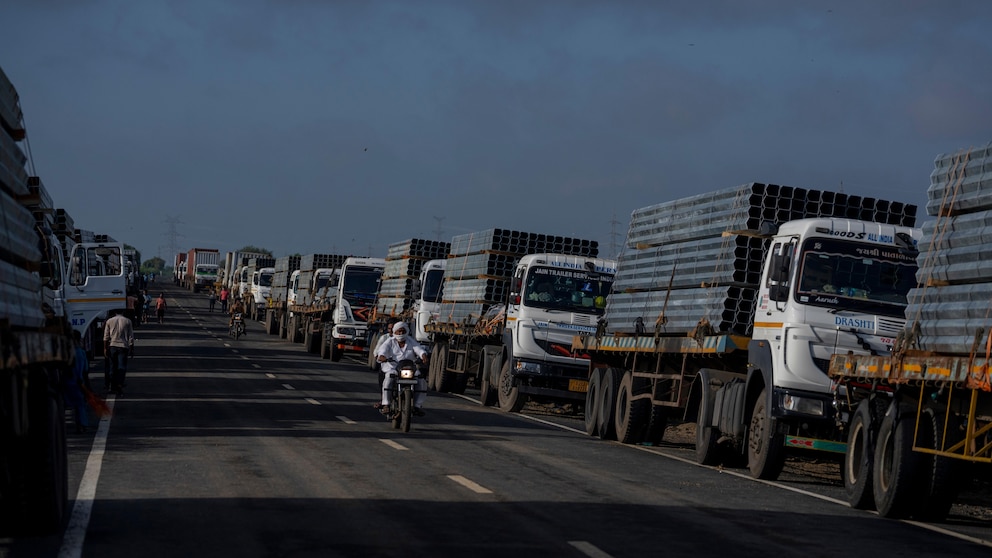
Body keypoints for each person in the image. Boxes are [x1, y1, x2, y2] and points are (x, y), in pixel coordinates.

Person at [374, 321, 429, 416]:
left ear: (406, 331)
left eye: (403, 331)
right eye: (399, 331)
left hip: (409, 368)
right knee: (389, 378)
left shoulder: (410, 341)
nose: (401, 333)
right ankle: (386, 404)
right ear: (394, 332)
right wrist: (382, 356)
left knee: (421, 380)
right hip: (393, 367)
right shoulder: (389, 341)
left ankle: (417, 405)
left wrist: (423, 356)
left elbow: (419, 349)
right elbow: (382, 350)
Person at [103, 308, 135, 396]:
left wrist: (105, 348)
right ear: (123, 311)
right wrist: (132, 348)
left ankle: (111, 386)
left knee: (112, 367)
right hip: (123, 346)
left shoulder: (109, 321)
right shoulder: (127, 321)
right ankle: (119, 385)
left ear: (114, 312)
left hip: (112, 345)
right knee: (121, 367)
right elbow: (131, 336)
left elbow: (106, 336)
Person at [64, 330, 91, 433]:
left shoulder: (66, 353)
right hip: (79, 382)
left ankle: (78, 424)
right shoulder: (81, 352)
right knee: (80, 405)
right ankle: (82, 424)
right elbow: (85, 370)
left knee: (69, 404)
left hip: (68, 382)